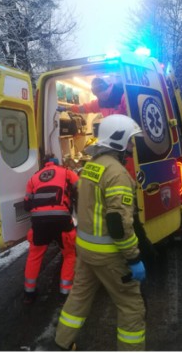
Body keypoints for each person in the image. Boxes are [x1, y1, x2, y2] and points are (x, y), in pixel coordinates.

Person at [53, 114, 147, 351]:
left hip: (85, 252)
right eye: (130, 141)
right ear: (119, 141)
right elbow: (118, 223)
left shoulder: (91, 167)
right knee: (131, 305)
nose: (132, 146)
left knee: (78, 297)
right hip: (109, 255)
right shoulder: (117, 174)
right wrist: (133, 257)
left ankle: (61, 344)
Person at [23, 156, 79, 303]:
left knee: (35, 255)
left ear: (44, 165)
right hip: (61, 219)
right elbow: (81, 188)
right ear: (57, 163)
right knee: (69, 254)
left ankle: (29, 292)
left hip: (39, 221)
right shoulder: (66, 172)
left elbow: (27, 205)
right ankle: (65, 291)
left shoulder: (33, 178)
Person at [58, 77, 126, 117]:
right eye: (98, 96)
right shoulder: (100, 102)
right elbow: (83, 108)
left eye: (102, 94)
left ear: (108, 87)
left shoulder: (123, 97)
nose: (101, 97)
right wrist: (66, 108)